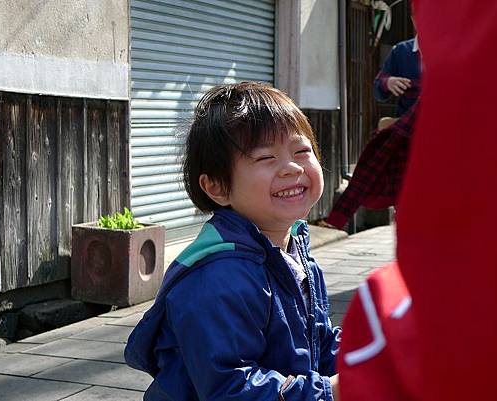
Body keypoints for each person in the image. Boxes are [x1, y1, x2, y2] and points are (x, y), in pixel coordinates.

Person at [336, 0, 497, 400]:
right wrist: (388, 84)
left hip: (451, 144)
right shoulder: (403, 52)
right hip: (419, 141)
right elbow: (380, 83)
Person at [124, 82, 341, 401]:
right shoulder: (217, 278)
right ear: (217, 188)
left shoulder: (296, 250)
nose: (292, 167)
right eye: (266, 157)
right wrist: (330, 392)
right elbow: (231, 388)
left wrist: (369, 360)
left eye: (301, 151)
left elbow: (318, 340)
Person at [373, 30, 421, 118]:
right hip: (407, 126)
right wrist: (388, 82)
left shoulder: (450, 51)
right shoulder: (401, 51)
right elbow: (377, 89)